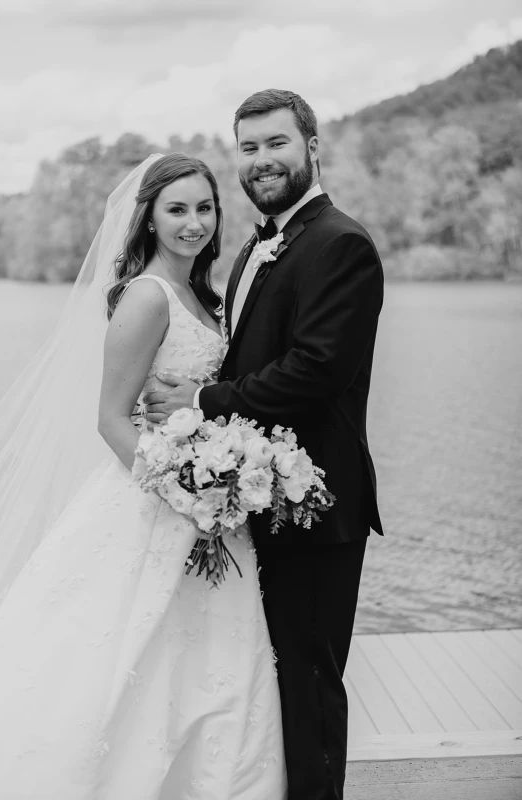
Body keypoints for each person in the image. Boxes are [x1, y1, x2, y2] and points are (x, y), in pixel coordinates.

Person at [0, 154, 286, 799]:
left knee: (210, 666)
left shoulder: (205, 297)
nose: (194, 223)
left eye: (204, 207)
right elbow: (111, 419)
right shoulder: (146, 296)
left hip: (214, 508)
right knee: (124, 659)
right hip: (159, 503)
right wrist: (184, 494)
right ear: (147, 217)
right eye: (176, 209)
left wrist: (221, 477)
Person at [145, 89, 384, 800]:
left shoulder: (340, 243)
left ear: (312, 145)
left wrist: (199, 401)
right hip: (259, 501)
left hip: (315, 506)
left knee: (309, 683)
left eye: (276, 143)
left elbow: (314, 369)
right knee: (267, 680)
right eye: (248, 148)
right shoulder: (258, 243)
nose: (261, 160)